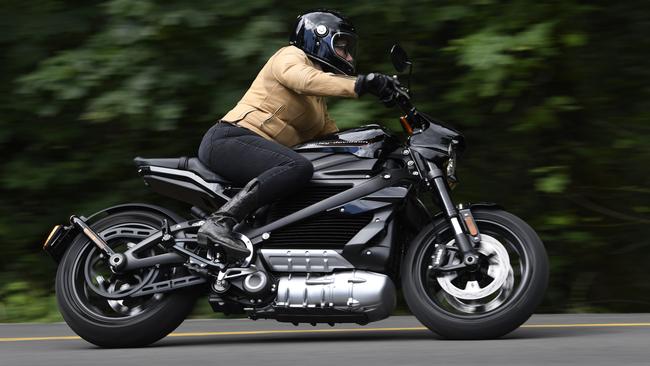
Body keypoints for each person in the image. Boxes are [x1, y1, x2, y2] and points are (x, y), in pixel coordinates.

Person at [197, 9, 395, 262]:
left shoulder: (317, 102)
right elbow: (303, 79)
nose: (347, 55)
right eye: (342, 46)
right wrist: (361, 83)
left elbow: (330, 140)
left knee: (321, 177)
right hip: (229, 139)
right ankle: (219, 222)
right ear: (319, 37)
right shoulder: (290, 57)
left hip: (254, 150)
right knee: (297, 166)